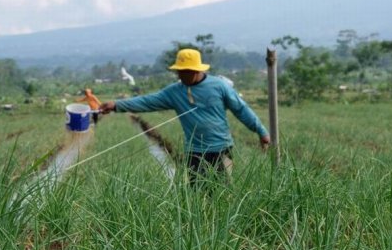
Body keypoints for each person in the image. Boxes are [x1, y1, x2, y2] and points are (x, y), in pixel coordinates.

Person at [99, 48, 270, 184]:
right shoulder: (174, 92)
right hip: (194, 152)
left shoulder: (219, 86)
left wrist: (261, 131)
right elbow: (147, 102)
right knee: (198, 193)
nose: (181, 75)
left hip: (221, 148)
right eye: (179, 71)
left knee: (224, 191)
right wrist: (117, 105)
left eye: (185, 71)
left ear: (196, 70)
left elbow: (241, 109)